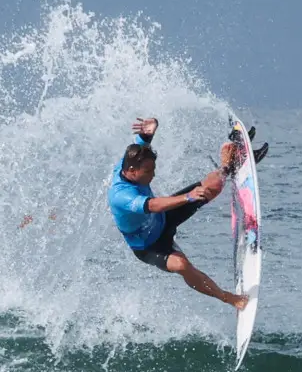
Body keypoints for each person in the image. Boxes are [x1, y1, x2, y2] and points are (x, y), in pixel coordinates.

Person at [108, 116, 267, 309]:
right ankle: (229, 298)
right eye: (148, 171)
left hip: (161, 219)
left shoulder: (130, 160)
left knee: (214, 185)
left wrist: (147, 134)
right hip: (149, 245)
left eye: (153, 169)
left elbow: (140, 144)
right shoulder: (120, 195)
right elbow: (153, 205)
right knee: (182, 265)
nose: (153, 174)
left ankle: (231, 163)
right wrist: (188, 197)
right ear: (131, 171)